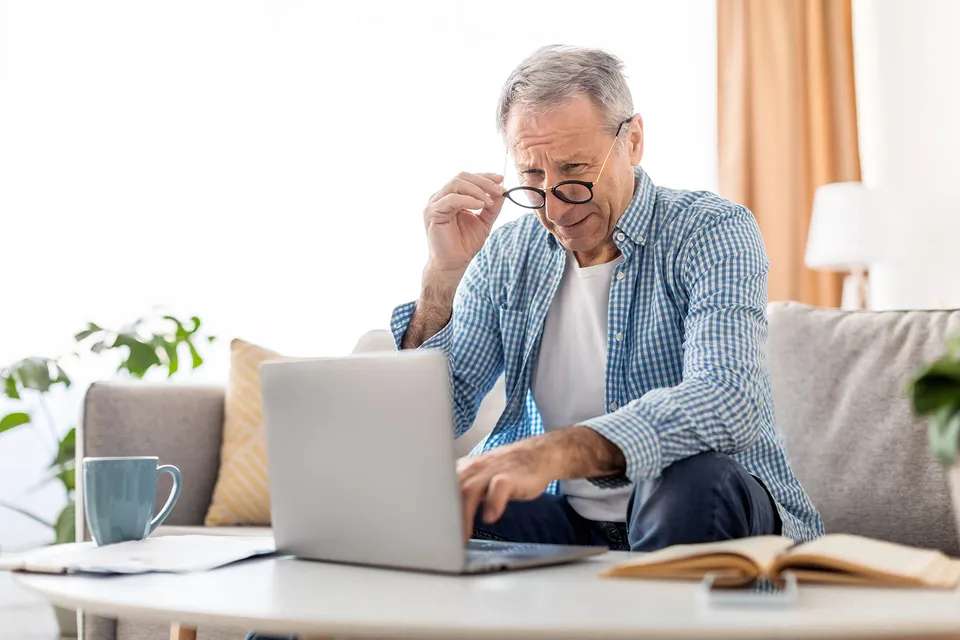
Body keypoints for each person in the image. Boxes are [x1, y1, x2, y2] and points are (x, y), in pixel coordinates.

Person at [245, 44, 822, 640]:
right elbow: (435, 416)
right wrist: (442, 279)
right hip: (568, 521)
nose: (554, 205)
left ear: (634, 140)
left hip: (713, 512)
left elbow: (729, 400)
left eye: (575, 174)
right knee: (431, 512)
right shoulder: (510, 253)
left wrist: (551, 451)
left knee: (685, 482)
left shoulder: (710, 230)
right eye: (533, 179)